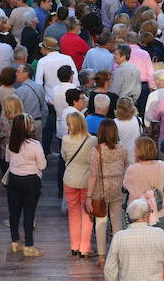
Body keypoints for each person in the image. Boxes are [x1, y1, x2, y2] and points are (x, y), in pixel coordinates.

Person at [86, 119, 129, 268]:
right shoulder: (122, 148)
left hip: (101, 190)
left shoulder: (96, 150)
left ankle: (102, 257)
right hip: (118, 188)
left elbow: (93, 175)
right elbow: (126, 166)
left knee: (101, 223)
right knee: (117, 222)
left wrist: (88, 196)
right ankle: (117, 255)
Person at [5, 113, 46, 257]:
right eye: (31, 123)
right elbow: (42, 165)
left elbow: (7, 159)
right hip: (31, 181)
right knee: (29, 213)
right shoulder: (35, 145)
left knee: (14, 212)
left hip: (14, 179)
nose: (33, 125)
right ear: (27, 128)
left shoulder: (11, 143)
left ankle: (15, 241)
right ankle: (29, 245)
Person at [61, 111, 97, 258]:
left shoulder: (65, 139)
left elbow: (64, 156)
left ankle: (74, 246)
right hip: (87, 181)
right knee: (87, 214)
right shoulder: (92, 140)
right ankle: (84, 247)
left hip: (70, 179)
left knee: (73, 213)